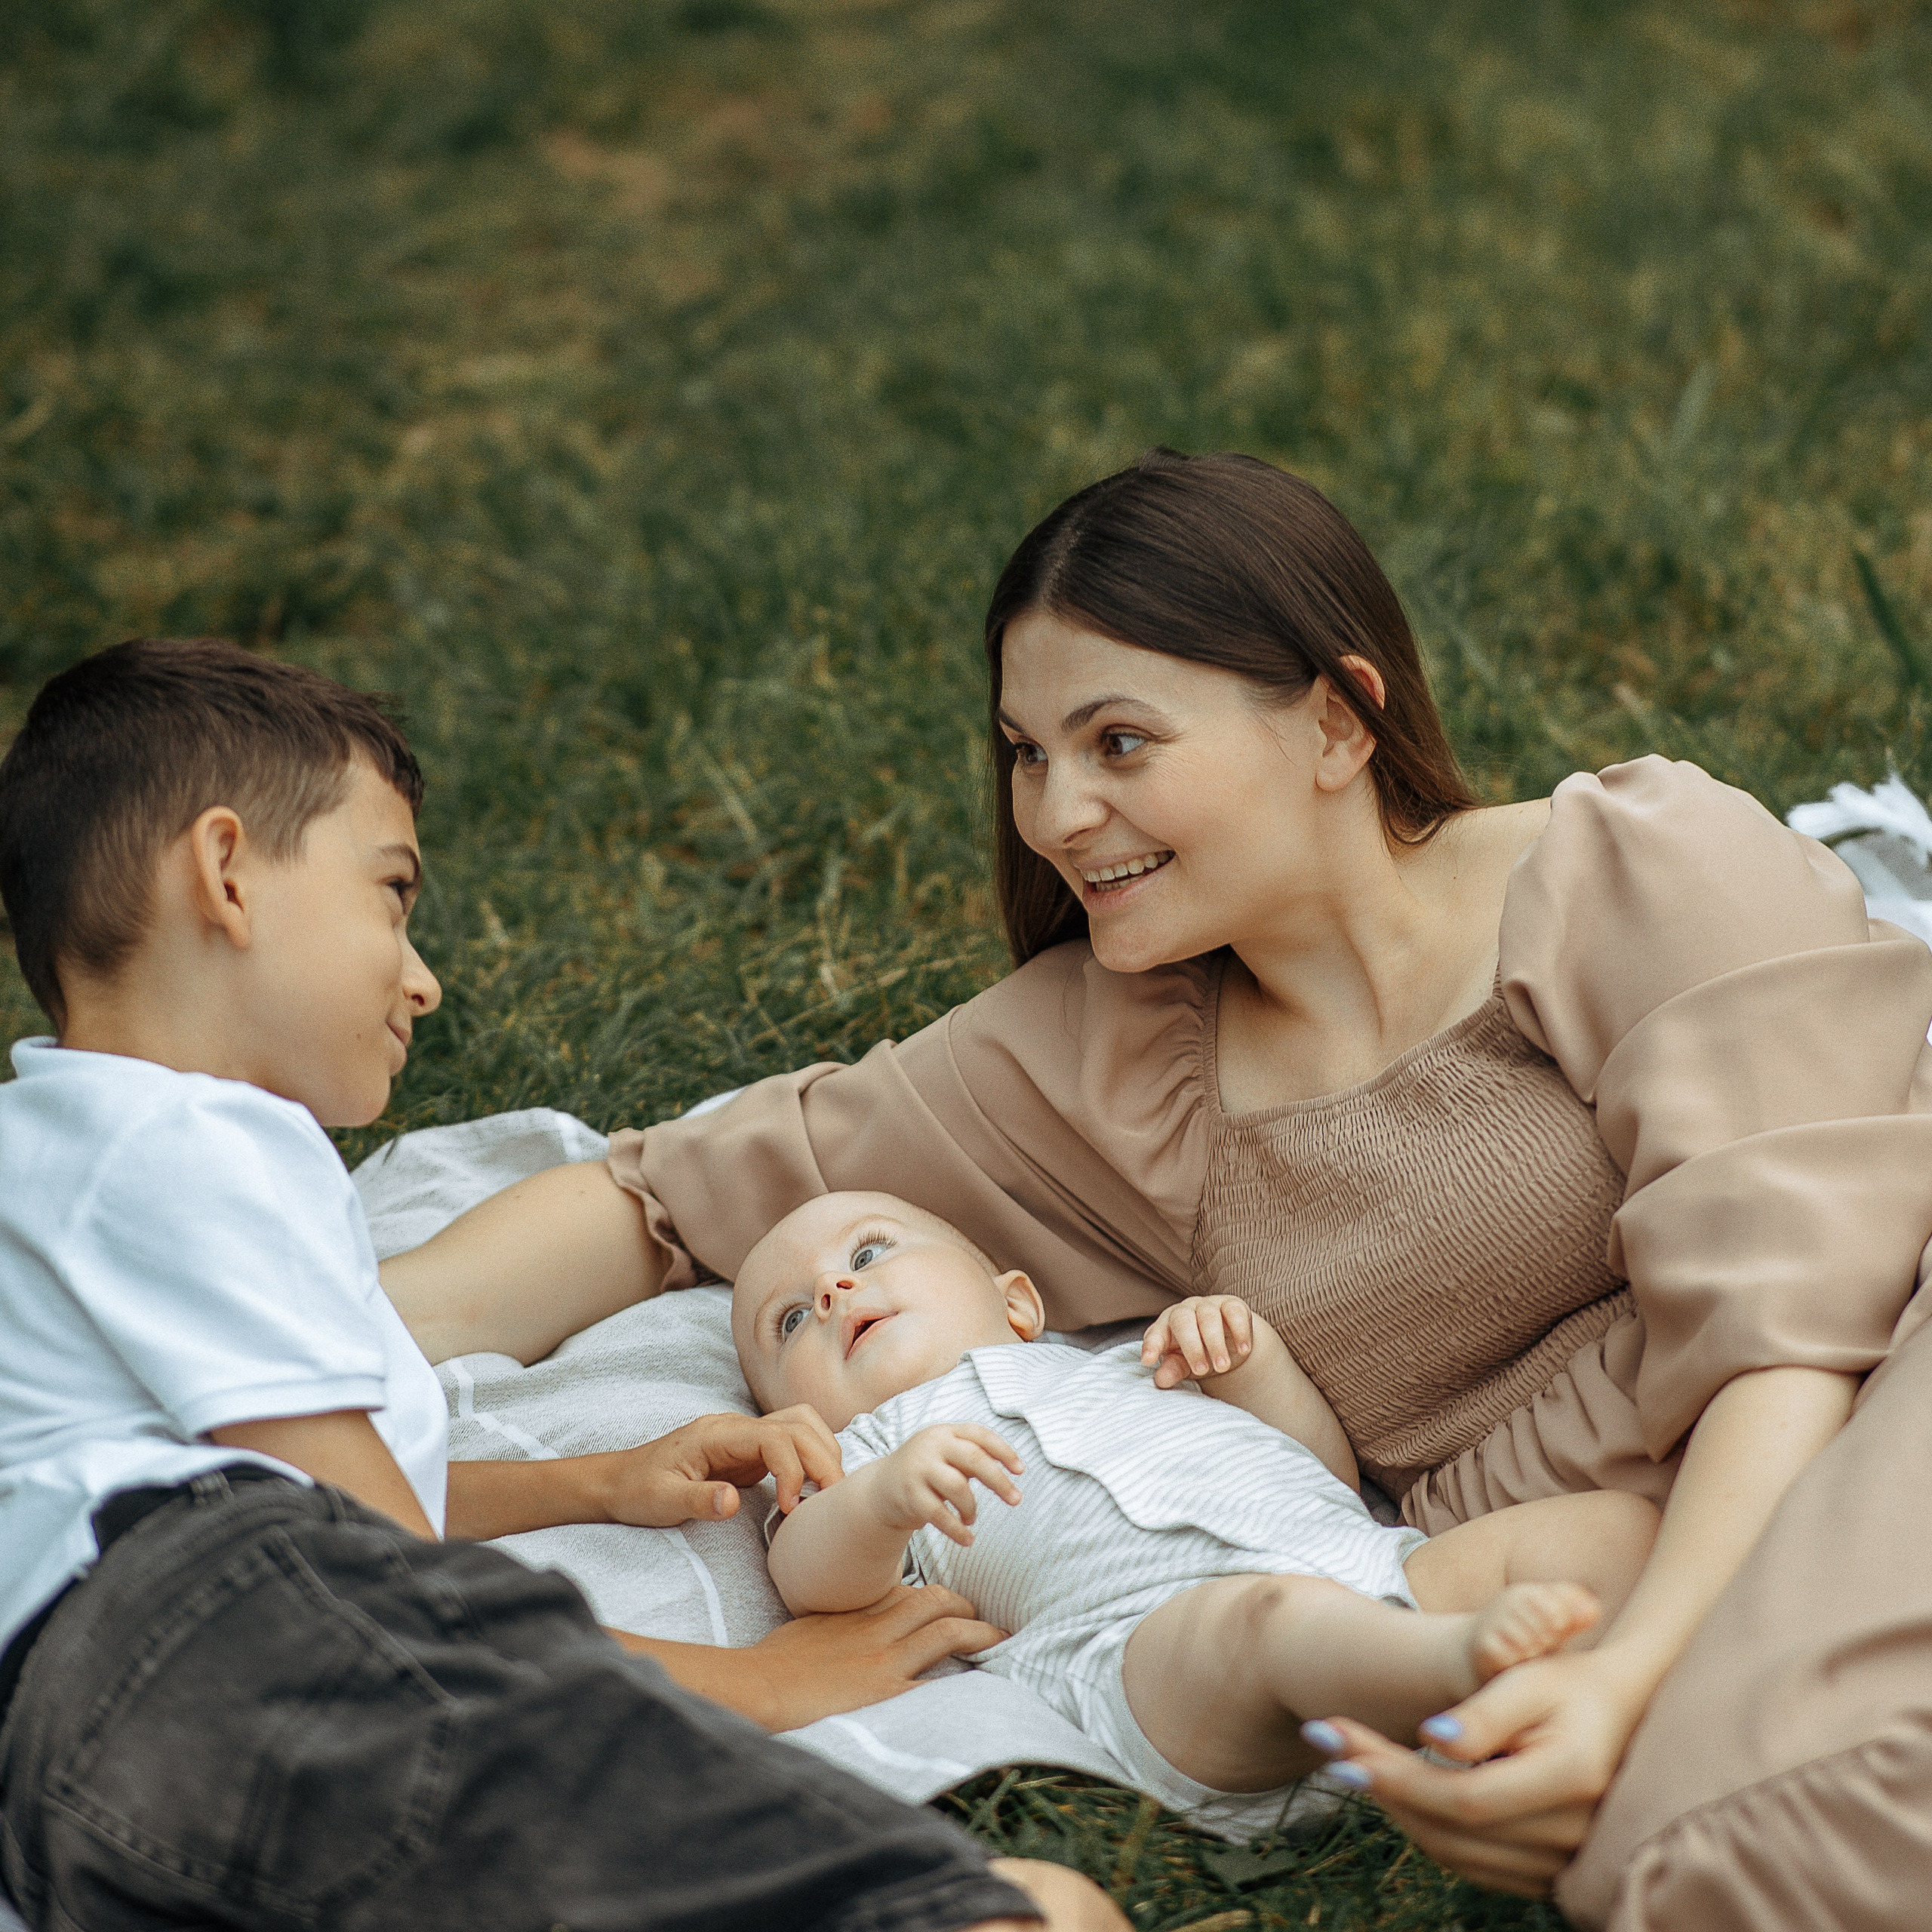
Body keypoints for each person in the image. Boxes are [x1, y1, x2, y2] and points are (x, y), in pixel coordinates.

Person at [384, 448, 1932, 1929]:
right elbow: (661, 1195)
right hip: (1598, 1579)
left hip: (1872, 1381)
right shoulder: (1108, 1057)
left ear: (1336, 722)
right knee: (1698, 1862)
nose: (1055, 813)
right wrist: (307, 1368)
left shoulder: (1632, 865)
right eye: (1027, 753)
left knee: (1795, 1818)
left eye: (1118, 743)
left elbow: (1789, 1328)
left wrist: (1633, 1670)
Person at [0, 638, 1123, 1932]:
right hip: (207, 1645)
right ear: (227, 873)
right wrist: (760, 1683)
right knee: (1019, 1914)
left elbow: (311, 1485)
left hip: (72, 1783)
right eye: (393, 893)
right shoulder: (196, 1141)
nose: (423, 977)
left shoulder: (59, 1150)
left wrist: (598, 1484)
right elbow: (376, 1579)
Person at [737, 1189, 1657, 1831]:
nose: (832, 1292)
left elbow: (1322, 1476)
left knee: (1612, 1528)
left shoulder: (1134, 1364)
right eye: (790, 1322)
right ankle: (1453, 1667)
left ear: (1015, 1303)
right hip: (1151, 1657)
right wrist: (881, 1500)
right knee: (1267, 1620)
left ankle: (1594, 1674)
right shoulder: (867, 1458)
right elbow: (809, 1576)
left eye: (867, 1253)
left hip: (1364, 1562)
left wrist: (1251, 1366)